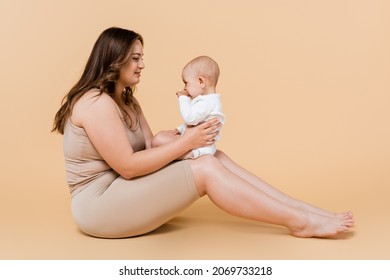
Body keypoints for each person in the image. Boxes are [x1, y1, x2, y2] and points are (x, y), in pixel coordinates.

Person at [52, 27, 354, 239]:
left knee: (214, 155)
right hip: (98, 206)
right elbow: (129, 167)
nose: (142, 64)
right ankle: (300, 222)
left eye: (142, 57)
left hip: (122, 191)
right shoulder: (95, 103)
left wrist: (187, 141)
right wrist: (187, 142)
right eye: (135, 58)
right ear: (113, 60)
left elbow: (146, 148)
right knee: (206, 167)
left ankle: (301, 209)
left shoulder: (127, 100)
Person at [152, 55, 225, 159]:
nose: (185, 88)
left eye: (186, 83)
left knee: (159, 141)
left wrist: (183, 98)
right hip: (200, 143)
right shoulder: (209, 100)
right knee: (161, 137)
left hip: (201, 147)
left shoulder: (206, 102)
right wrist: (180, 129)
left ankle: (190, 155)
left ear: (201, 82)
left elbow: (191, 119)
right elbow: (198, 121)